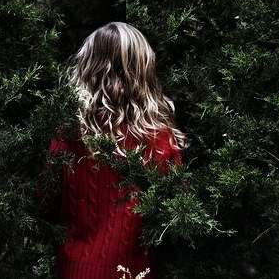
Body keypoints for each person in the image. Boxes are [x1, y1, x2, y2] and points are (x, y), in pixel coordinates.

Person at [48, 22, 186, 279]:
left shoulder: (68, 134)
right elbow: (176, 215)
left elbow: (45, 203)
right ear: (143, 71)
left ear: (87, 68)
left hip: (77, 270)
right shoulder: (160, 138)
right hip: (137, 271)